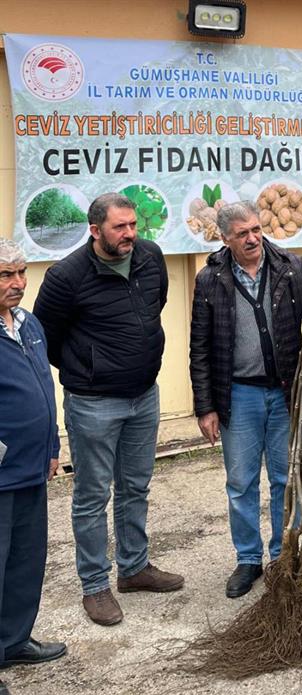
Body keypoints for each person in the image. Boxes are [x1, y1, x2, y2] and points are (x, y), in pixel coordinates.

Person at [33, 193, 183, 627]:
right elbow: (48, 338)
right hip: (93, 403)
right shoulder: (66, 276)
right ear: (95, 230)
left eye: (133, 224)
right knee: (92, 495)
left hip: (144, 396)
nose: (130, 234)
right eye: (120, 227)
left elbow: (155, 306)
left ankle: (134, 568)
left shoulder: (150, 257)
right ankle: (95, 585)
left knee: (135, 486)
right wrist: (89, 367)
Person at [190, 200, 302, 599]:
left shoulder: (290, 267)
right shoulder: (210, 279)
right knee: (240, 482)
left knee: (285, 478)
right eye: (242, 234)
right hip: (238, 394)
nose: (253, 238)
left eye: (256, 229)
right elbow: (199, 347)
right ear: (225, 238)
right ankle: (248, 559)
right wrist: (205, 406)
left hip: (285, 391)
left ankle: (282, 556)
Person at [0, 238, 67, 695]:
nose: (18, 283)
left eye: (21, 272)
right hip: (2, 472)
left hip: (31, 467)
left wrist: (52, 447)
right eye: (6, 275)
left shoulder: (29, 323)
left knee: (25, 561)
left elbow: (44, 386)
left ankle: (12, 641)